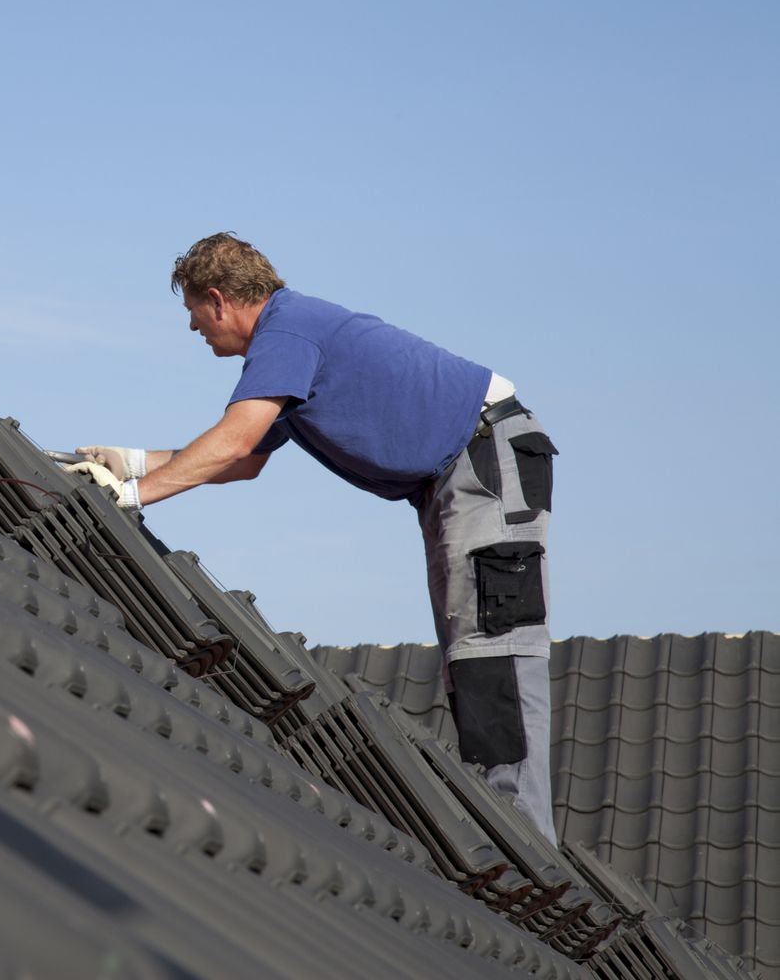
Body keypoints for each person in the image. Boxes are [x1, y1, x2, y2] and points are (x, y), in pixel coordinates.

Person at [70, 232, 559, 843]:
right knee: (470, 650)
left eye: (193, 311)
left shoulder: (286, 333)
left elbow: (236, 440)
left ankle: (525, 839)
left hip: (484, 457)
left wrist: (133, 498)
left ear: (219, 301)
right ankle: (505, 823)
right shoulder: (294, 340)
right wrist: (131, 462)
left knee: (492, 647)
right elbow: (245, 460)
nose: (192, 327)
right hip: (464, 468)